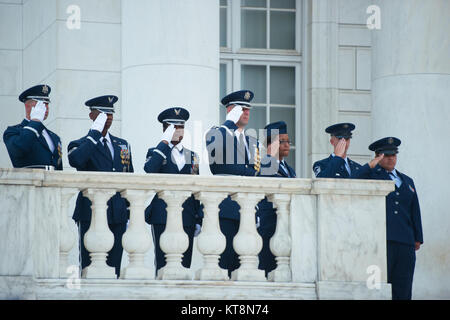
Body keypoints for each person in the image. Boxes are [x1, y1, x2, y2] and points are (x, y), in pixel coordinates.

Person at [67, 95, 133, 278]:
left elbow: (129, 179)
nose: (109, 117)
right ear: (92, 115)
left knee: (115, 266)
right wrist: (95, 134)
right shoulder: (79, 144)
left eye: (111, 113)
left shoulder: (122, 145)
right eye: (104, 113)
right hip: (90, 212)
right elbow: (77, 160)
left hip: (117, 212)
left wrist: (128, 213)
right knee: (90, 266)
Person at [353, 137, 423, 300]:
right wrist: (371, 165)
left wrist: (418, 237)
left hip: (405, 241)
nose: (391, 158)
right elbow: (352, 180)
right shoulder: (370, 176)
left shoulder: (407, 180)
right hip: (379, 241)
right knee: (375, 286)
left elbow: (414, 210)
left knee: (403, 286)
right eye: (387, 155)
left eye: (394, 155)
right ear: (378, 156)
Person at [205, 89, 265, 277]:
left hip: (247, 209)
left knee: (245, 268)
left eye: (248, 109)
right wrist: (229, 123)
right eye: (241, 109)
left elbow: (256, 172)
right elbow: (217, 167)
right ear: (230, 110)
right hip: (226, 210)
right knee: (224, 265)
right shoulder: (217, 132)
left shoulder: (252, 141)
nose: (247, 112)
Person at [143, 107, 203, 274]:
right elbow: (150, 169)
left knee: (185, 265)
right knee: (163, 265)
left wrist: (200, 218)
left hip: (188, 215)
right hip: (162, 215)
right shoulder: (155, 152)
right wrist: (164, 143)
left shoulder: (193, 156)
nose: (178, 131)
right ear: (165, 129)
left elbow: (197, 189)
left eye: (181, 126)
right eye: (173, 127)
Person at [257, 121, 296, 276]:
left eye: (288, 141)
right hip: (269, 225)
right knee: (269, 269)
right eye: (282, 141)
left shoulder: (289, 169)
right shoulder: (266, 165)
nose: (287, 145)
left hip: (285, 224)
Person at [3, 84, 62, 170]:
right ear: (27, 105)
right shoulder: (13, 132)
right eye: (41, 104)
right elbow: (19, 149)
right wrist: (35, 121)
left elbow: (58, 166)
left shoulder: (54, 136)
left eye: (47, 104)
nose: (46, 108)